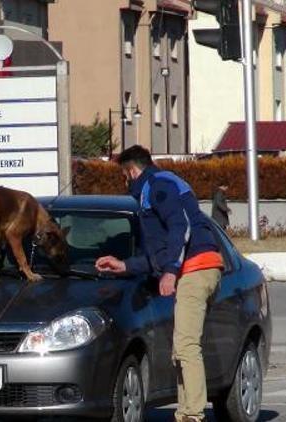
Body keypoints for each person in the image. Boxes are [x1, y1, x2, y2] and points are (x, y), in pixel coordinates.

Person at [95, 146, 223, 422]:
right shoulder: (157, 187)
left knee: (186, 346)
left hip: (196, 268)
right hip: (199, 268)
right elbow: (159, 250)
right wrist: (125, 265)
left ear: (131, 171)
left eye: (124, 176)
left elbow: (181, 226)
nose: (124, 183)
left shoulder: (158, 185)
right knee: (182, 348)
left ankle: (192, 415)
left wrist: (171, 271)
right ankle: (186, 412)